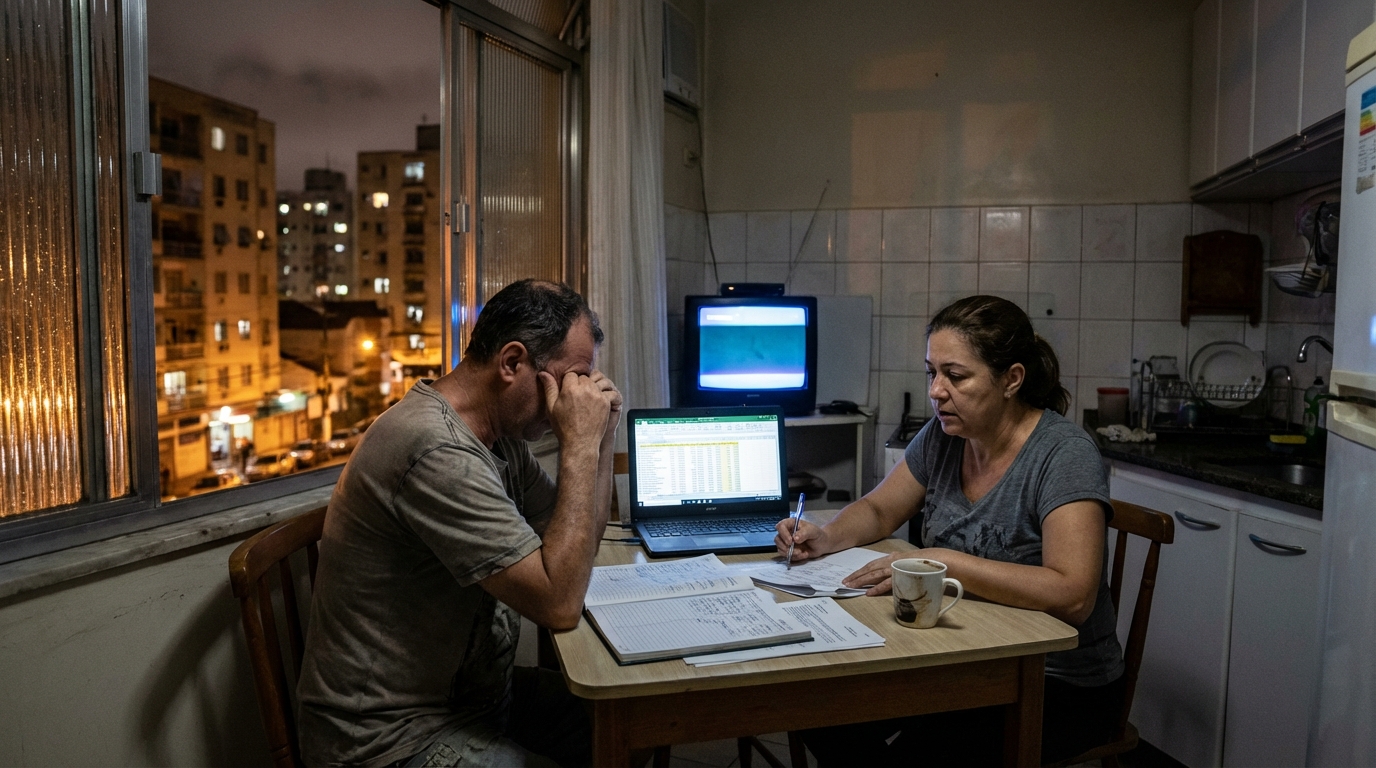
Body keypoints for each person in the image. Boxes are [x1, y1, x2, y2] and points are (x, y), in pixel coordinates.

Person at [777, 295, 1123, 767]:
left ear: (1012, 379)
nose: (937, 391)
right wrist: (827, 535)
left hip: (1058, 683)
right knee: (814, 706)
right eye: (932, 373)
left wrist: (945, 562)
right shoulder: (944, 435)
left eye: (956, 376)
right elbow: (879, 509)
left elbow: (1073, 595)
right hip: (962, 657)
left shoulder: (1063, 454)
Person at [296, 279, 621, 768]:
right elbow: (558, 604)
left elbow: (574, 546)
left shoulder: (499, 437)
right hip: (388, 737)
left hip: (474, 698)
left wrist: (602, 435)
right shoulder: (435, 450)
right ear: (512, 363)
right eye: (571, 379)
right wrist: (579, 444)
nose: (578, 397)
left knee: (621, 721)